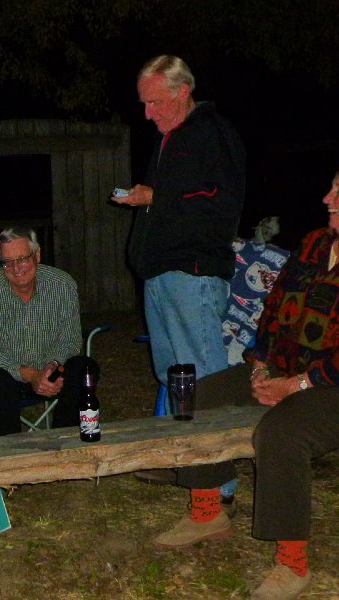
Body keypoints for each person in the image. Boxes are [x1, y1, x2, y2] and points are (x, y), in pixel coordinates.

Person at [153, 171, 339, 598]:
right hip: (282, 367)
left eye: (337, 191)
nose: (326, 196)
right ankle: (206, 511)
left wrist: (298, 385)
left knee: (281, 433)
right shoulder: (314, 244)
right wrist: (261, 364)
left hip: (329, 386)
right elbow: (273, 308)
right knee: (199, 396)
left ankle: (293, 563)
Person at [112, 54, 245, 390]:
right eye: (144, 103)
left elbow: (221, 202)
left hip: (191, 273)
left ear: (182, 91)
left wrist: (155, 197)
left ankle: (217, 443)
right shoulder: (169, 136)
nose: (147, 113)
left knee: (202, 378)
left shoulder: (211, 133)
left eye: (154, 102)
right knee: (174, 377)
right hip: (160, 274)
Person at [0, 225, 98, 437]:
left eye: (22, 258)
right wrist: (30, 375)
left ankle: (63, 442)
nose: (16, 268)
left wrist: (51, 366)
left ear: (37, 255)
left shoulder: (63, 284)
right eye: (8, 262)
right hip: (7, 374)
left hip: (53, 370)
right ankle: (11, 452)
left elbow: (70, 340)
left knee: (85, 368)